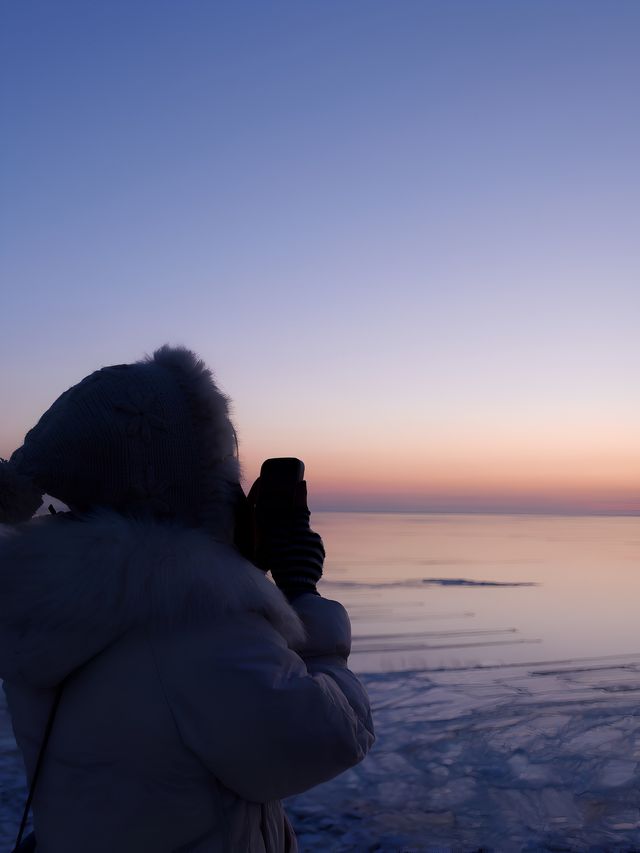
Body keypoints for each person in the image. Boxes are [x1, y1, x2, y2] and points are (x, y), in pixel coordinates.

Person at [0, 345, 375, 852]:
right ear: (195, 487)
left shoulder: (47, 601)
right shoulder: (195, 623)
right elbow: (326, 737)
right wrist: (303, 596)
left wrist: (231, 572)